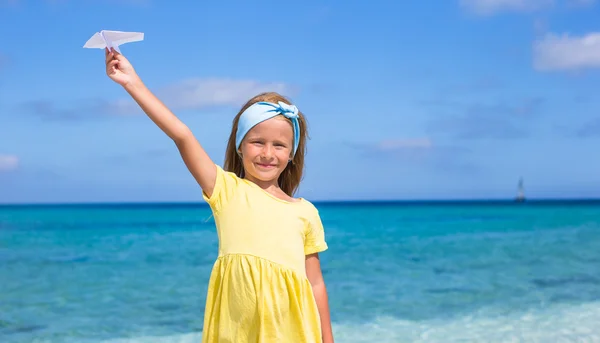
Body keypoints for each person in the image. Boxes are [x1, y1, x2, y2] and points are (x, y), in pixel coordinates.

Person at [103, 47, 334, 343]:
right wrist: (131, 82)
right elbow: (181, 134)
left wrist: (328, 339)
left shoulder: (305, 212)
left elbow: (314, 283)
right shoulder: (226, 191)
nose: (267, 153)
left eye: (279, 145)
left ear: (291, 154)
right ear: (239, 145)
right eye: (257, 141)